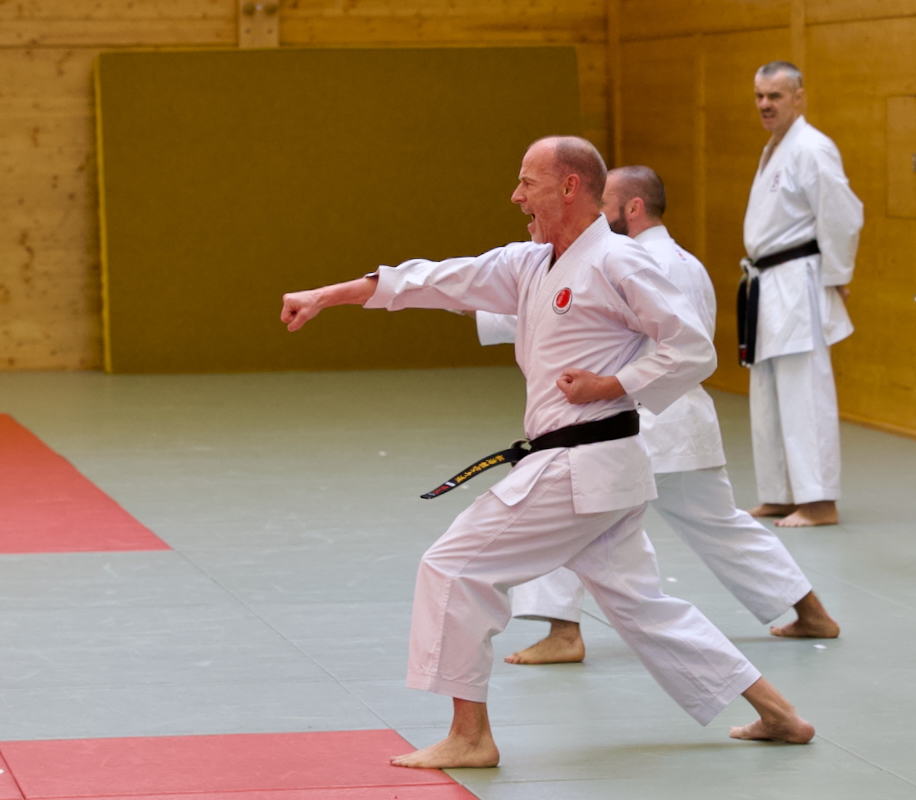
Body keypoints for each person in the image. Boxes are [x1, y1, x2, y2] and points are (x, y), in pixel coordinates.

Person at [280, 137, 815, 770]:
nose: (516, 196)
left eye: (526, 183)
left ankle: (470, 736)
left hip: (581, 462)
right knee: (644, 607)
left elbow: (693, 348)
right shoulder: (529, 264)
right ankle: (780, 714)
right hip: (600, 472)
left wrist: (612, 384)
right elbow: (433, 278)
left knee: (452, 567)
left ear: (569, 187)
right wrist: (327, 295)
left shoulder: (618, 261)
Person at [474, 165, 840, 666]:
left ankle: (563, 632)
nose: (595, 215)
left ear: (633, 208)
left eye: (604, 205)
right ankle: (811, 611)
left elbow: (571, 317)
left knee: (556, 508)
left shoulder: (627, 261)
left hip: (634, 419)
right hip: (685, 423)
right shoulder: (686, 262)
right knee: (723, 526)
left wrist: (469, 299)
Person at [740, 61, 863, 528]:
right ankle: (780, 492)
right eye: (759, 96)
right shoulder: (775, 148)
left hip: (797, 280)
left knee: (803, 391)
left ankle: (819, 500)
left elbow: (841, 216)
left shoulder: (812, 147)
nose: (765, 105)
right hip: (767, 281)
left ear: (799, 97)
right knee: (768, 391)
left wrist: (836, 277)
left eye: (775, 96)